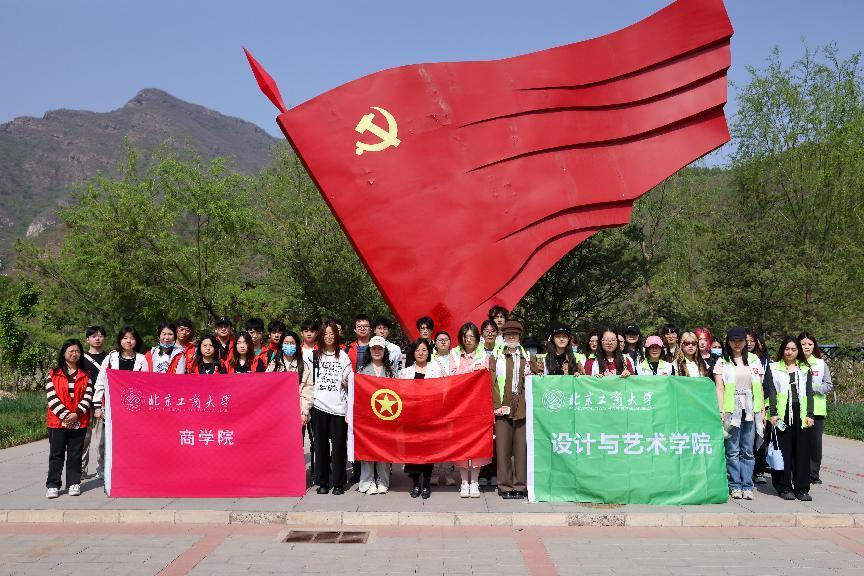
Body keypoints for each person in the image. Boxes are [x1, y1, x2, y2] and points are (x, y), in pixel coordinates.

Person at [713, 327, 765, 500]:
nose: (737, 344)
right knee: (733, 449)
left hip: (750, 408)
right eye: (733, 340)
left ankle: (747, 485)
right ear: (728, 342)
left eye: (740, 340)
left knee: (748, 449)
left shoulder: (754, 360)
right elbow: (719, 388)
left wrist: (762, 410)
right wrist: (721, 410)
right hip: (731, 408)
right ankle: (735, 484)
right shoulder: (723, 361)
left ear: (745, 341)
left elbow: (759, 386)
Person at [92, 326, 149, 481]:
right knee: (108, 441)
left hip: (133, 408)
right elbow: (101, 382)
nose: (128, 341)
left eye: (132, 338)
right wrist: (97, 406)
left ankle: (131, 470)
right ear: (120, 340)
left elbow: (145, 384)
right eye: (125, 338)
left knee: (131, 441)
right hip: (112, 408)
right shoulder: (111, 357)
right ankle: (106, 470)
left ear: (136, 341)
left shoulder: (141, 359)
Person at [765, 337, 814, 501]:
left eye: (793, 349)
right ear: (782, 350)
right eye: (787, 349)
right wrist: (773, 413)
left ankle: (802, 488)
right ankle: (784, 486)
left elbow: (809, 392)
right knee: (783, 451)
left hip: (801, 414)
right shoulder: (773, 367)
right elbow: (772, 391)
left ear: (798, 351)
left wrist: (810, 414)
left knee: (802, 452)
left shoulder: (804, 368)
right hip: (782, 414)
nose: (790, 352)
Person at [45, 339, 93, 499]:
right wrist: (66, 415)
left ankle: (74, 483)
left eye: (77, 351)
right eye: (71, 351)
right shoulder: (53, 373)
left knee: (75, 453)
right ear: (64, 353)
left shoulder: (86, 375)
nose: (74, 354)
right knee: (56, 454)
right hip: (57, 422)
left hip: (79, 421)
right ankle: (53, 485)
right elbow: (51, 397)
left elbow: (88, 397)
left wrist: (76, 414)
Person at [308, 320, 352, 495]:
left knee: (339, 446)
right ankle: (323, 482)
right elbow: (308, 381)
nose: (328, 336)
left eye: (332, 333)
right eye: (325, 333)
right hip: (318, 406)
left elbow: (348, 382)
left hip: (339, 408)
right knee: (320, 446)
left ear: (336, 335)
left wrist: (346, 381)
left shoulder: (343, 357)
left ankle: (339, 482)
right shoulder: (314, 356)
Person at [450, 322, 492, 498]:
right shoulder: (454, 353)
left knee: (477, 443)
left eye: (472, 337)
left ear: (477, 338)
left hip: (478, 406)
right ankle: (463, 481)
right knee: (460, 443)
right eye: (465, 336)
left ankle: (474, 481)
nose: (468, 340)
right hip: (459, 405)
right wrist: (471, 370)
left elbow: (488, 377)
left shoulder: (484, 355)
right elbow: (452, 375)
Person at [490, 320, 530, 499]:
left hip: (522, 405)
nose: (512, 337)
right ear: (504, 336)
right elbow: (492, 382)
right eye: (508, 334)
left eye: (515, 334)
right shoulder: (496, 355)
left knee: (521, 449)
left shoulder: (527, 356)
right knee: (503, 448)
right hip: (503, 403)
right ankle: (505, 486)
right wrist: (496, 405)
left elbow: (535, 377)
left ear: (519, 336)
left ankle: (520, 486)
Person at [268, 330, 313, 475]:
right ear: (281, 345)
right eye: (286, 343)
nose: (289, 345)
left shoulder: (303, 366)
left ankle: (294, 476)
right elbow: (266, 387)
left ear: (297, 345)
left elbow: (308, 391)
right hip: (277, 414)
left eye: (292, 343)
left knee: (295, 447)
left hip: (296, 413)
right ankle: (278, 475)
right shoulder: (274, 365)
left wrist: (304, 412)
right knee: (277, 446)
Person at [355, 336, 395, 495]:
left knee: (384, 449)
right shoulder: (362, 371)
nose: (377, 351)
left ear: (384, 351)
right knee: (367, 449)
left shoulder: (391, 371)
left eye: (380, 348)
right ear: (369, 350)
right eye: (374, 348)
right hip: (367, 418)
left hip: (386, 417)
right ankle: (367, 481)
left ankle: (383, 480)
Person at [400, 339, 435, 498]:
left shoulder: (436, 371)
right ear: (413, 353)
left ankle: (426, 483)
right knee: (412, 451)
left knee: (428, 451)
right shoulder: (405, 372)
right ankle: (415, 483)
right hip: (411, 418)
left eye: (424, 350)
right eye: (417, 350)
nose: (420, 353)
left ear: (428, 352)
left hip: (429, 417)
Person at [798, 331, 832, 485]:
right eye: (803, 344)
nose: (806, 347)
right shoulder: (793, 363)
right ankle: (798, 471)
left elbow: (828, 385)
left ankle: (813, 473)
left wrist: (813, 388)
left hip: (817, 410)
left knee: (815, 445)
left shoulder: (820, 363)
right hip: (798, 409)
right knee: (799, 442)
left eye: (810, 344)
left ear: (814, 346)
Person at [80, 326, 108, 480]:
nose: (97, 338)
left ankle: (101, 469)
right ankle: (81, 469)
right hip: (84, 402)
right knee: (83, 438)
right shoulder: (81, 358)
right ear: (87, 339)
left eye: (101, 335)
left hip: (102, 403)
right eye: (93, 336)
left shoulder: (110, 358)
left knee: (101, 439)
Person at [747, 328, 771, 485]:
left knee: (761, 438)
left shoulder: (763, 360)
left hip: (762, 405)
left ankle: (759, 470)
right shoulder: (737, 359)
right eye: (746, 341)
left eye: (752, 341)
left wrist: (762, 401)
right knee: (746, 441)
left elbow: (766, 384)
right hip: (744, 405)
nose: (749, 344)